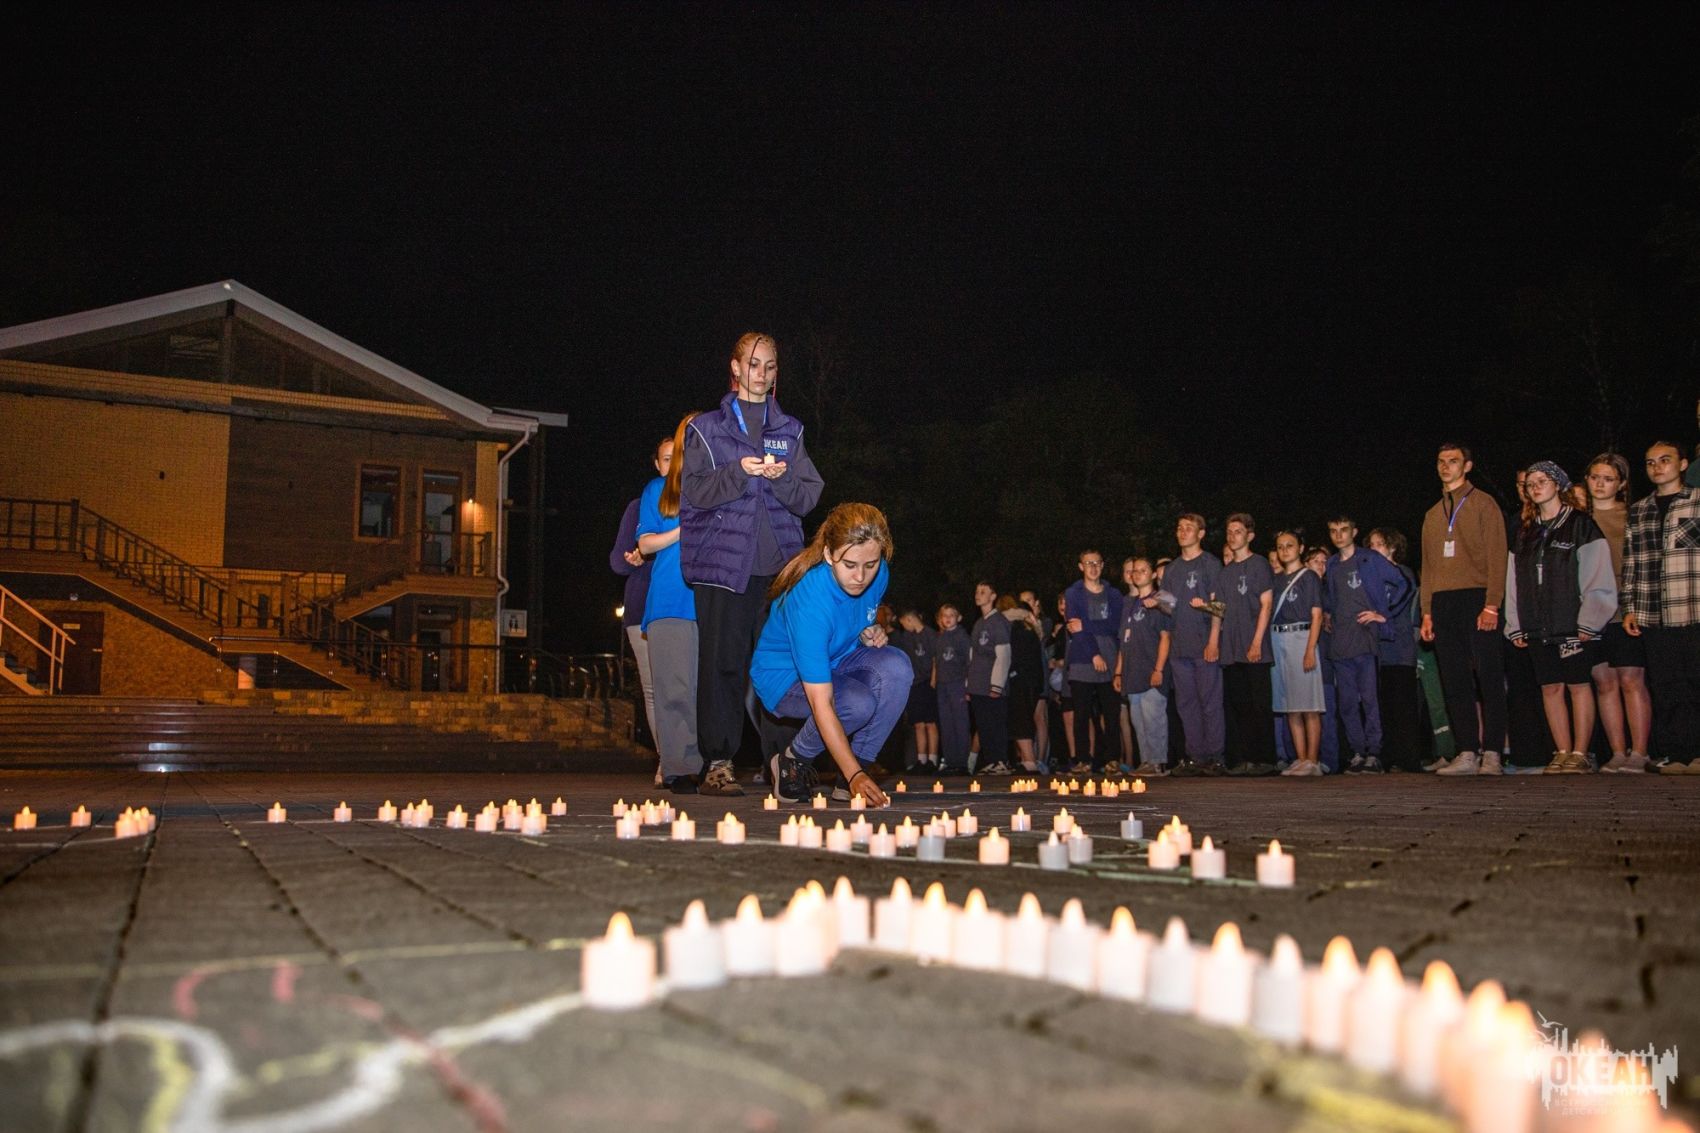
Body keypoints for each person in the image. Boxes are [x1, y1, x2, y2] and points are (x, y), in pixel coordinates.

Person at [680, 332, 825, 796]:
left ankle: (784, 764)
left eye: (770, 366)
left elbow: (808, 497)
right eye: (753, 364)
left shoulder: (791, 430)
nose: (761, 374)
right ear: (736, 367)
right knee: (722, 665)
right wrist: (737, 472)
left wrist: (780, 482)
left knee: (779, 668)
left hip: (779, 573)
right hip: (724, 571)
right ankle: (718, 763)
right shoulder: (706, 429)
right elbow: (694, 493)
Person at [752, 503, 902, 806]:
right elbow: (823, 702)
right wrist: (854, 772)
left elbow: (852, 615)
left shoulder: (879, 573)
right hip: (784, 677)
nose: (860, 576)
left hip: (837, 659)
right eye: (850, 565)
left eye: (870, 564)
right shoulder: (809, 599)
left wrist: (867, 630)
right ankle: (793, 762)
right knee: (856, 703)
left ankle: (852, 775)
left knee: (897, 666)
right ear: (828, 554)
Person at [1503, 461, 1616, 774]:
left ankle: (1581, 752)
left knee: (1578, 685)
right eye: (1530, 483)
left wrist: (1590, 619)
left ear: (1558, 485)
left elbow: (1598, 573)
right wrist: (1515, 624)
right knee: (1550, 687)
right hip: (1537, 624)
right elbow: (1512, 580)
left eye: (1543, 481)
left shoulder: (1580, 524)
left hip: (1571, 623)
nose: (1535, 487)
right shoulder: (1525, 531)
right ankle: (1562, 751)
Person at [1421, 443, 1510, 777]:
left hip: (1477, 598)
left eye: (1453, 461)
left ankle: (1493, 753)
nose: (1446, 467)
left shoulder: (1484, 503)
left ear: (1467, 466)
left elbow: (1498, 556)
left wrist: (1492, 604)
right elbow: (1427, 567)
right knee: (1454, 680)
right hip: (1443, 602)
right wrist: (1427, 611)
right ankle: (1467, 751)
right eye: (1441, 461)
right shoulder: (1432, 514)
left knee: (1488, 677)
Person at [635, 418, 707, 793]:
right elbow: (645, 543)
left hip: (712, 600)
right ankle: (679, 766)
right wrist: (684, 529)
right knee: (673, 689)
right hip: (670, 600)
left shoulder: (715, 487)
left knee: (705, 690)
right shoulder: (658, 490)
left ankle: (709, 762)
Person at [1620, 441, 1700, 773]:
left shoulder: (1697, 502)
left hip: (1693, 606)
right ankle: (1678, 753)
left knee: (1695, 680)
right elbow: (1631, 562)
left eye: (1665, 460)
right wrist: (1629, 606)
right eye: (1650, 462)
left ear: (1683, 464)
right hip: (1653, 610)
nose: (1657, 467)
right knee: (1666, 684)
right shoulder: (1639, 510)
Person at [1325, 515, 1411, 774]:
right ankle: (1357, 752)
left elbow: (1405, 584)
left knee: (1370, 699)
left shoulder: (1369, 559)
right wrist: (1329, 615)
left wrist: (1384, 614)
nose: (1339, 535)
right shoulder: (1332, 564)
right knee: (1347, 703)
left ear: (1354, 532)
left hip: (1365, 639)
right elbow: (1332, 598)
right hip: (1341, 642)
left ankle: (1374, 753)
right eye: (1333, 531)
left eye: (1344, 530)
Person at [1584, 454, 1653, 773]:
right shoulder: (1578, 519)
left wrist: (1634, 606)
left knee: (1630, 679)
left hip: (1624, 609)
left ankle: (1640, 752)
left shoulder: (1632, 516)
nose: (1599, 484)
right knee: (1604, 682)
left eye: (1608, 478)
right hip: (1590, 612)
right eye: (1594, 477)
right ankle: (1617, 752)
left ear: (1621, 484)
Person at [610, 446, 663, 782]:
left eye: (679, 458)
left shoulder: (697, 503)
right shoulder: (639, 506)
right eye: (667, 459)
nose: (673, 465)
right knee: (654, 689)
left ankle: (695, 756)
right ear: (657, 464)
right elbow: (617, 562)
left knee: (686, 687)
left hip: (686, 608)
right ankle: (667, 760)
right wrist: (639, 557)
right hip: (642, 609)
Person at [1167, 514, 1227, 775]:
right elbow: (1169, 606)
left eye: (1189, 528)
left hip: (1204, 645)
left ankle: (1215, 756)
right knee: (1186, 705)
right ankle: (1195, 757)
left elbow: (1219, 605)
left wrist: (1213, 641)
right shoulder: (1172, 569)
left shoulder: (1210, 564)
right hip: (1179, 648)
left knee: (1210, 703)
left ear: (1201, 534)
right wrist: (1155, 603)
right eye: (1179, 527)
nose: (1182, 532)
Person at [1220, 513, 1278, 775]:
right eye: (1229, 532)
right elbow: (1219, 609)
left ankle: (1265, 759)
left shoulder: (1259, 565)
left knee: (1259, 705)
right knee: (1239, 705)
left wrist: (1257, 642)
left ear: (1250, 536)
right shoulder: (1225, 572)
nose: (1232, 536)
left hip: (1254, 647)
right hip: (1231, 649)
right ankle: (1243, 759)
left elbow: (1266, 604)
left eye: (1238, 532)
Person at [1368, 527, 1425, 772]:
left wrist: (1384, 614)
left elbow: (1406, 593)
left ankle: (1409, 758)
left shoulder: (1402, 572)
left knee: (1404, 705)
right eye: (1371, 545)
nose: (1373, 549)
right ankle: (1389, 756)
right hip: (1379, 650)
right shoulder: (1371, 576)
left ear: (1392, 547)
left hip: (1400, 647)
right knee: (1386, 705)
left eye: (1379, 544)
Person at [1064, 550, 1124, 774]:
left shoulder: (1114, 594)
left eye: (1097, 563)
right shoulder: (1073, 594)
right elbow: (1075, 628)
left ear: (1103, 565)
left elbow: (1115, 626)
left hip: (1110, 660)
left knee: (1111, 713)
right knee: (1081, 714)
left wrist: (1087, 625)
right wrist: (1094, 654)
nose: (1093, 567)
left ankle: (1112, 759)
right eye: (1088, 563)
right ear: (1081, 566)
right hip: (1082, 660)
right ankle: (1083, 759)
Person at [1271, 530, 1325, 775]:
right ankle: (1300, 757)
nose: (1285, 550)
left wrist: (1310, 649)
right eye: (1280, 546)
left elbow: (1317, 615)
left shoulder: (1309, 577)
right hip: (1278, 638)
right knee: (1290, 703)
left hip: (1302, 637)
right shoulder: (1276, 580)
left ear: (1301, 548)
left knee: (1309, 704)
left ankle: (1313, 759)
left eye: (1289, 545)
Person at [1113, 557, 1172, 776]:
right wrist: (1118, 672)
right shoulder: (1129, 603)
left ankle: (1157, 762)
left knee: (1153, 717)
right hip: (1132, 672)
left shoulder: (1161, 599)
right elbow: (1124, 640)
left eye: (1143, 570)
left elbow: (1166, 637)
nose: (1137, 574)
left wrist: (1159, 669)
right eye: (1134, 571)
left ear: (1154, 574)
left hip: (1151, 670)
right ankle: (1146, 761)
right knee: (1138, 721)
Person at [966, 582, 1012, 774]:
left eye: (983, 592)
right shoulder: (979, 623)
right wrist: (969, 684)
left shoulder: (998, 622)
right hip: (977, 685)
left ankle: (1001, 760)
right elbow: (972, 656)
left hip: (991, 684)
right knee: (983, 725)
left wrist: (997, 685)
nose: (978, 595)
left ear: (993, 596)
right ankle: (992, 760)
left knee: (995, 723)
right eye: (977, 591)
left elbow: (1004, 655)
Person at [999, 594, 1045, 773]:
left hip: (1018, 679)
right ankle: (1027, 759)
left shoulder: (1009, 626)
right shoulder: (1029, 625)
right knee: (1027, 718)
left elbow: (1009, 655)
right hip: (1034, 680)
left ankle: (1029, 761)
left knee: (1020, 720)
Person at [893, 610, 939, 771]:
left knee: (930, 723)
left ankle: (933, 759)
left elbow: (936, 658)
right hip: (914, 684)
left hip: (928, 683)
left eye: (904, 624)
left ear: (910, 619)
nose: (904, 627)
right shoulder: (907, 637)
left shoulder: (930, 634)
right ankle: (922, 760)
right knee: (918, 723)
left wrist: (933, 681)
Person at [934, 604, 971, 771]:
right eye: (945, 615)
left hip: (958, 684)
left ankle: (962, 762)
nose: (948, 619)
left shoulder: (962, 637)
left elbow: (969, 662)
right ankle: (950, 761)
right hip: (942, 685)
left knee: (960, 723)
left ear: (959, 618)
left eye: (951, 615)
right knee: (946, 723)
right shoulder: (940, 638)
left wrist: (968, 685)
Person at [1020, 590, 1053, 768]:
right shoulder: (1019, 623)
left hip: (1040, 672)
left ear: (1037, 602)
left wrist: (1032, 619)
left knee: (1039, 716)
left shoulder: (1045, 622)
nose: (1026, 604)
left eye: (1029, 600)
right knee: (1024, 717)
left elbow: (1041, 637)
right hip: (1024, 675)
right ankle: (1027, 758)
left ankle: (1041, 760)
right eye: (1022, 602)